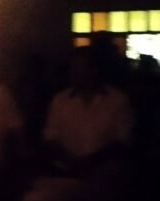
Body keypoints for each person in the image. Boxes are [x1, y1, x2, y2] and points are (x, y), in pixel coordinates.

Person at [42, 47, 133, 176]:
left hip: (106, 174)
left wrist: (92, 161)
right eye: (72, 68)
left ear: (94, 70)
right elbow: (51, 136)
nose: (72, 73)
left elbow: (122, 140)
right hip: (67, 172)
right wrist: (71, 161)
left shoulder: (117, 100)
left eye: (78, 68)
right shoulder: (60, 100)